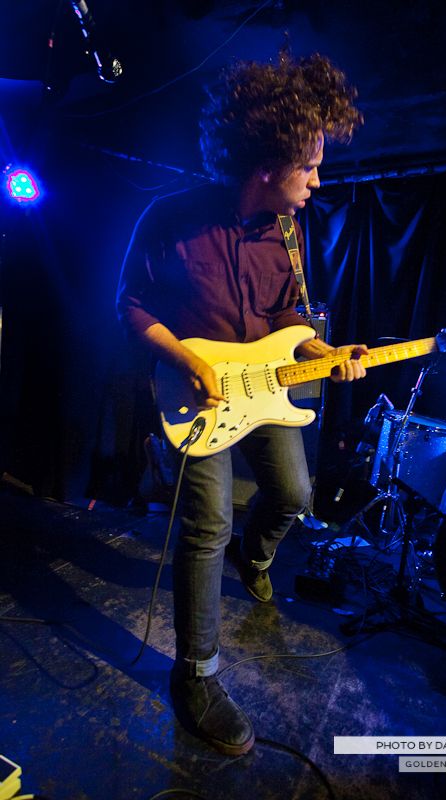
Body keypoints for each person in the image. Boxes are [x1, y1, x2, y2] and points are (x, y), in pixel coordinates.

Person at [116, 52, 367, 757]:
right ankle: (196, 674)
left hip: (265, 392)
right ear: (267, 166)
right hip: (193, 396)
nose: (318, 181)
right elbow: (129, 304)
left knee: (291, 492)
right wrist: (190, 359)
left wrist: (324, 356)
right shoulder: (169, 219)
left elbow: (291, 321)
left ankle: (252, 561)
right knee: (204, 523)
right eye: (309, 167)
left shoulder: (288, 236)